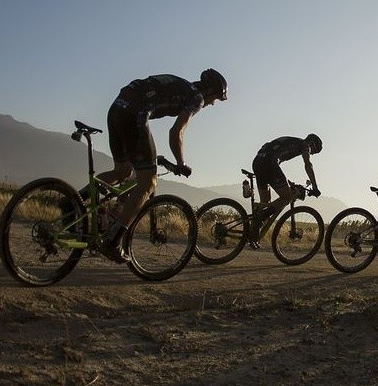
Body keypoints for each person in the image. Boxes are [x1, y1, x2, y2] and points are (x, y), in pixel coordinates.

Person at [95, 69, 228, 262]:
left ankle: (74, 202)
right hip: (135, 114)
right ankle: (113, 241)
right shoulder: (196, 98)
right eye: (215, 98)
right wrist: (181, 163)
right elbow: (176, 132)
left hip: (117, 108)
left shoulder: (182, 86)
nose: (213, 103)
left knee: (122, 171)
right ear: (209, 91)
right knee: (148, 183)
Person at [250, 134, 322, 242]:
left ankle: (251, 233)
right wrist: (315, 187)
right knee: (286, 197)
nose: (311, 153)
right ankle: (259, 219)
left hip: (258, 161)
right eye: (314, 151)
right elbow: (308, 164)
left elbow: (276, 162)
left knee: (265, 202)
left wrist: (286, 182)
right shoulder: (305, 144)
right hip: (269, 163)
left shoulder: (294, 142)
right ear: (312, 143)